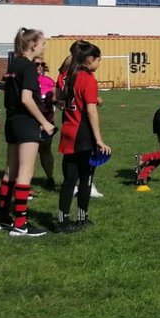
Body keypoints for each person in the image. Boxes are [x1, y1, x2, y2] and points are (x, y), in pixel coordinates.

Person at [0, 28, 57, 237]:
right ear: (32, 45)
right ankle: (21, 223)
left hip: (12, 121)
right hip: (26, 122)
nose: (44, 47)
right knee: (25, 172)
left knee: (10, 171)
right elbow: (26, 98)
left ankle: (4, 217)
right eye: (42, 43)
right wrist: (44, 122)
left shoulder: (13, 64)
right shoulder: (29, 67)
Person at [56, 41, 110, 232]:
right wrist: (98, 139)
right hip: (83, 133)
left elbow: (60, 100)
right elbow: (91, 111)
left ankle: (63, 220)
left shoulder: (69, 76)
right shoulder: (88, 79)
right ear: (89, 59)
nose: (99, 62)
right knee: (86, 177)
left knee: (69, 180)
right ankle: (81, 217)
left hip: (68, 130)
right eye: (98, 59)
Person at [35, 57, 58, 190]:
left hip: (48, 122)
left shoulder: (49, 81)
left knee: (45, 149)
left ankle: (50, 178)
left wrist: (58, 100)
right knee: (30, 151)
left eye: (42, 64)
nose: (40, 66)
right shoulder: (26, 81)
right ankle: (24, 182)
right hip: (31, 122)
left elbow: (55, 99)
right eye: (36, 64)